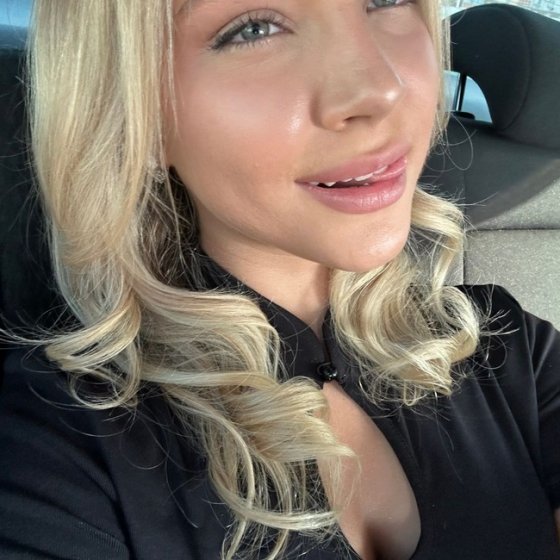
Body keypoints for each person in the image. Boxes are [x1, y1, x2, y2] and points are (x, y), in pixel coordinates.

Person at [1, 1, 559, 559]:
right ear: (136, 113)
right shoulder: (59, 441)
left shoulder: (504, 347)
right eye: (254, 29)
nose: (381, 89)